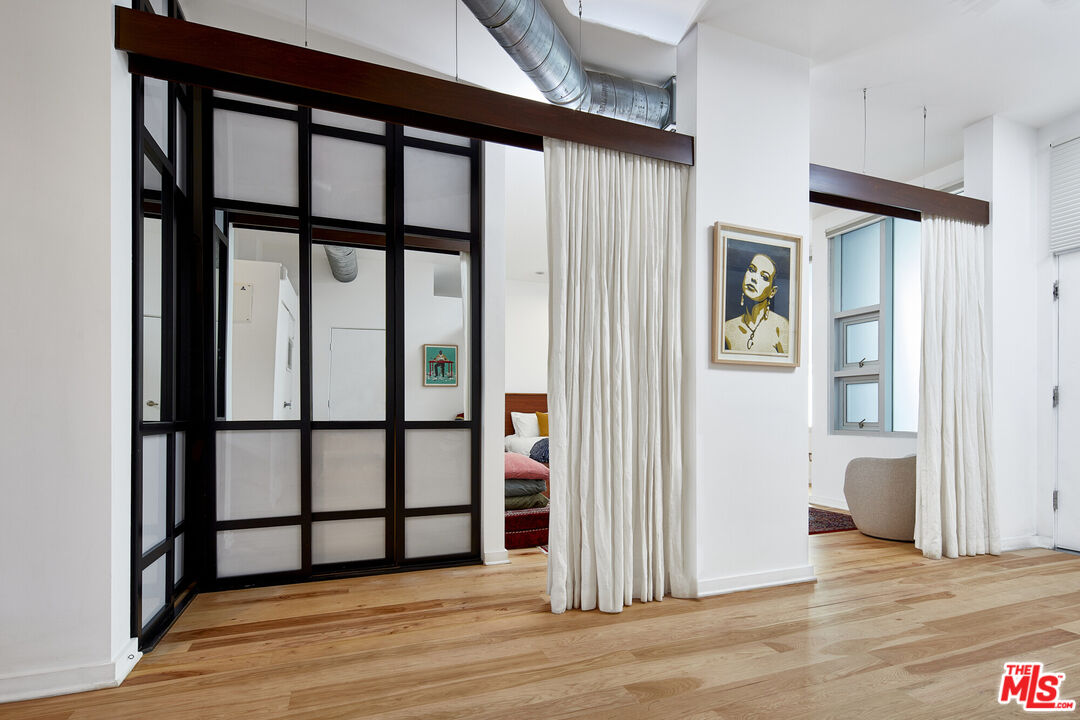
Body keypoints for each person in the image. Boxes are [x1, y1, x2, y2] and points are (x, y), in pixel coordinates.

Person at [723, 252, 789, 355]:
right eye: (752, 270)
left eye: (764, 277)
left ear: (772, 292)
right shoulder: (727, 328)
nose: (754, 278)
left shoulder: (781, 326)